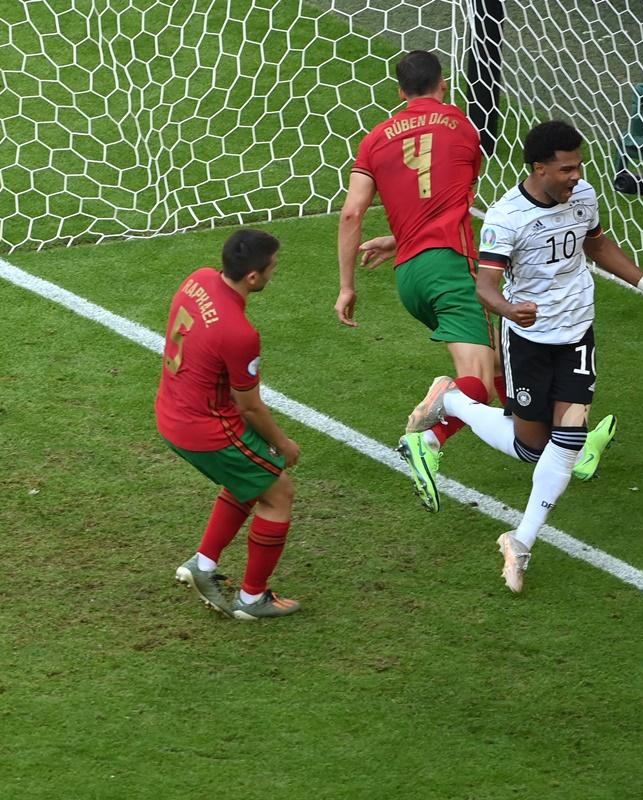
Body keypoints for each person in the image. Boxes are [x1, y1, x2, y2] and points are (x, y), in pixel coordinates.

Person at [400, 120, 643, 592]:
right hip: (528, 342)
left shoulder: (583, 196)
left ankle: (521, 541)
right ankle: (451, 401)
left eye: (579, 166)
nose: (576, 176)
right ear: (539, 167)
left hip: (576, 335)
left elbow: (595, 243)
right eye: (567, 168)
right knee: (532, 446)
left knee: (567, 444)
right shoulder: (507, 218)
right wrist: (511, 310)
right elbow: (485, 286)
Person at [336, 51, 615, 512]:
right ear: (444, 85)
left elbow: (352, 212)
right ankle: (430, 439)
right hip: (451, 266)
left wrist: (350, 283)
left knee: (508, 362)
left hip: (410, 272)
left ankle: (570, 446)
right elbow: (455, 202)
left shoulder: (375, 139)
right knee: (477, 380)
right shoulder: (464, 128)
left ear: (400, 93)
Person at [156, 229, 301, 620]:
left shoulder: (198, 279)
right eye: (272, 267)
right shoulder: (240, 334)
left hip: (174, 408)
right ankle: (253, 601)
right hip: (204, 426)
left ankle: (202, 566)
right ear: (253, 277)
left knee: (250, 477)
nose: (275, 272)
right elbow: (250, 407)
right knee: (278, 492)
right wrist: (284, 444)